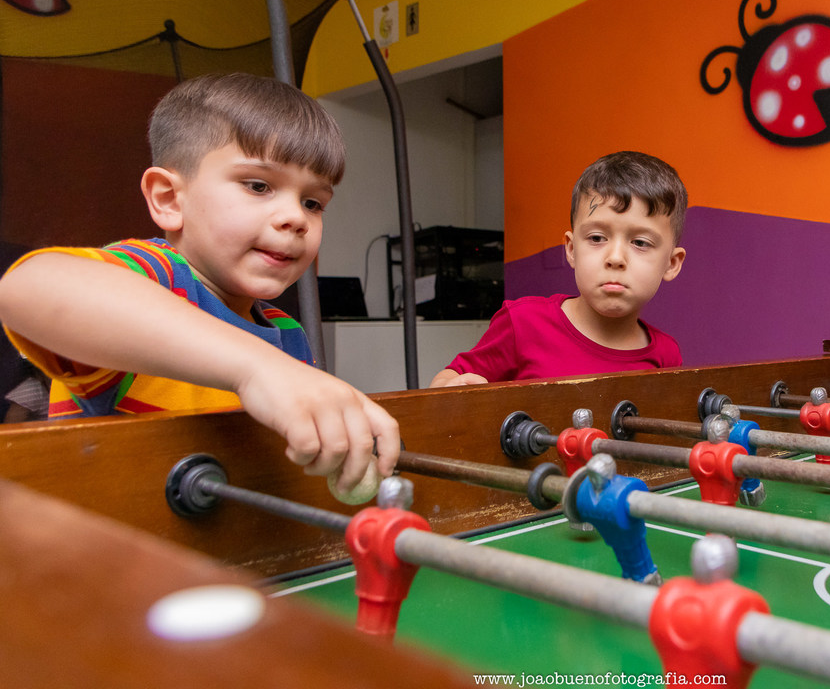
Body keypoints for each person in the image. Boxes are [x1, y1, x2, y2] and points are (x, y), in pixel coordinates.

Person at [0, 73, 400, 496]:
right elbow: (29, 287)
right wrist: (257, 369)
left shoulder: (288, 334)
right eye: (258, 185)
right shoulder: (156, 276)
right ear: (169, 199)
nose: (296, 218)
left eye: (313, 203)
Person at [430, 150, 687, 387]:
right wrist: (449, 388)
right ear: (572, 249)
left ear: (671, 263)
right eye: (597, 238)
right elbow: (447, 380)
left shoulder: (666, 354)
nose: (615, 258)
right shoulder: (522, 323)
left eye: (640, 242)